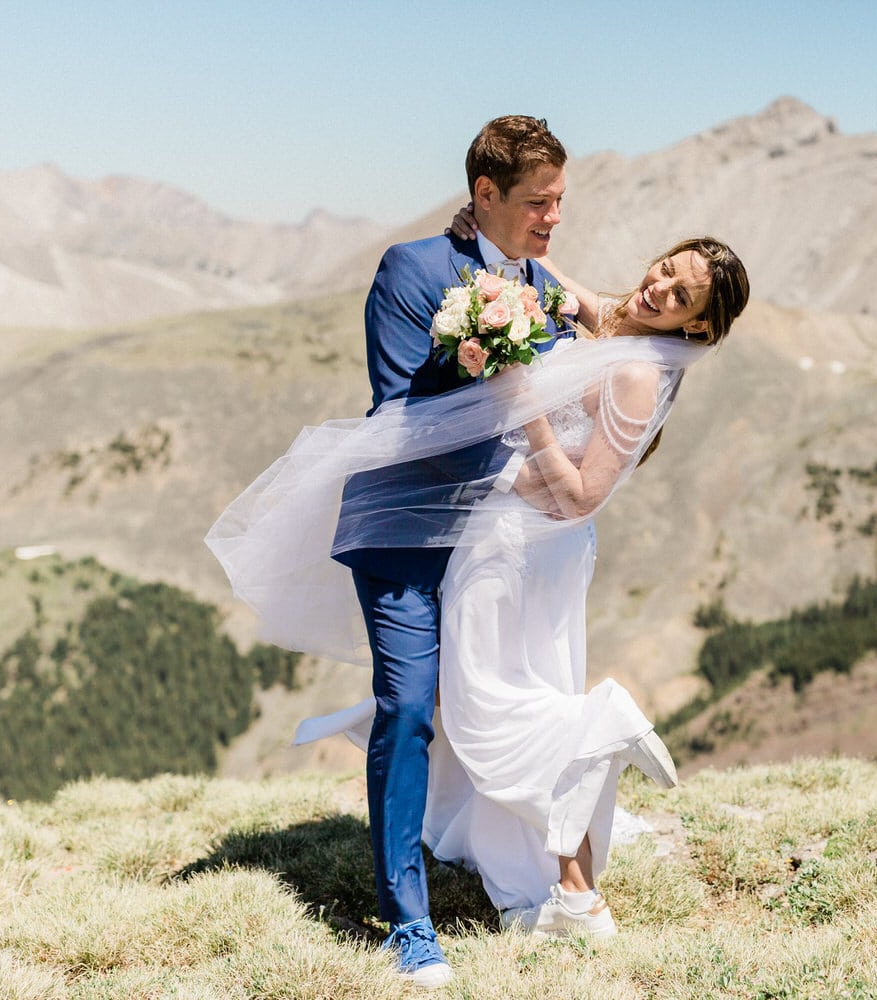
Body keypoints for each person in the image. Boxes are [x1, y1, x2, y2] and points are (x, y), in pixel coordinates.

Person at [207, 231, 748, 972]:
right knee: (494, 696)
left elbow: (585, 496)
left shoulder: (640, 374)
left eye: (681, 295)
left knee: (489, 708)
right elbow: (557, 284)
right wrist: (495, 284)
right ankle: (570, 891)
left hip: (525, 554)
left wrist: (524, 405)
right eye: (666, 267)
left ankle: (598, 745)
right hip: (500, 535)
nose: (659, 287)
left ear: (696, 329)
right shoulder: (618, 320)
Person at [214, 115, 569, 990]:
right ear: (485, 195)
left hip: (495, 534)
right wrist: (500, 375)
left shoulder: (541, 277)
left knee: (501, 701)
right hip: (406, 526)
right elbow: (400, 412)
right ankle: (406, 922)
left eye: (561, 201)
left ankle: (509, 861)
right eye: (539, 202)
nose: (554, 217)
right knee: (409, 706)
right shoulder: (411, 271)